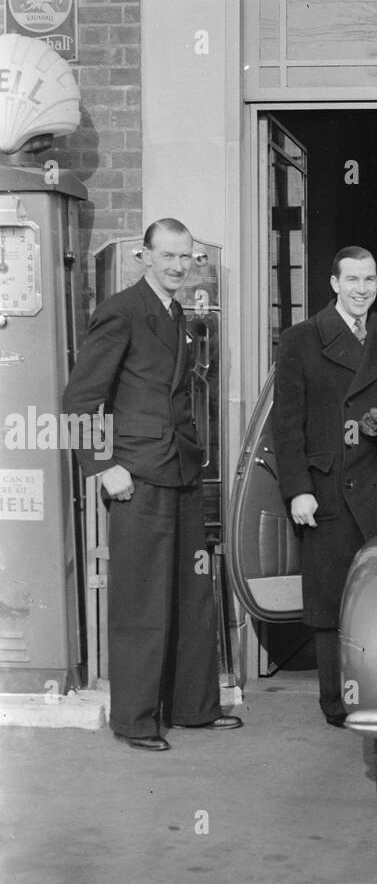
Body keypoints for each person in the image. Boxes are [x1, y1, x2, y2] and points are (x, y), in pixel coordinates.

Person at [61, 218, 241, 751]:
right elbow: (77, 403)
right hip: (137, 477)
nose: (178, 266)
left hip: (181, 473)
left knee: (191, 595)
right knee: (141, 602)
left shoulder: (178, 313)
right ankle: (136, 721)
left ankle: (193, 708)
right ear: (144, 256)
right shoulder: (121, 310)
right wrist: (101, 466)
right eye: (167, 256)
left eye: (186, 257)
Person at [273, 245, 377, 726]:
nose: (362, 290)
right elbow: (287, 423)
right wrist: (298, 488)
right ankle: (337, 702)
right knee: (333, 597)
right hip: (329, 488)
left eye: (370, 281)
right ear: (334, 284)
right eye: (352, 280)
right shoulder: (301, 339)